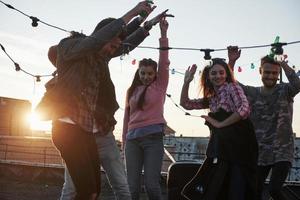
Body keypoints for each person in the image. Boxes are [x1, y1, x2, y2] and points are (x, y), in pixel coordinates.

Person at [36, 2, 157, 199]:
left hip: (85, 131)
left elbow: (125, 43)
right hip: (66, 128)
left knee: (93, 191)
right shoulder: (70, 49)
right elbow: (98, 39)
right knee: (80, 189)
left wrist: (144, 22)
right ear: (102, 37)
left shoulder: (100, 58)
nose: (113, 50)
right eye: (111, 44)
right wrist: (134, 11)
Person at [228, 46, 300, 200]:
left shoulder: (285, 90)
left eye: (274, 73)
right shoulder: (251, 92)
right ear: (260, 72)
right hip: (260, 152)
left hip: (282, 151)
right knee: (255, 191)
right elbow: (230, 83)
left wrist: (282, 63)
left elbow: (297, 84)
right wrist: (232, 61)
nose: (271, 76)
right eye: (267, 72)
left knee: (274, 189)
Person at [180, 59, 258, 200]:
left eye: (221, 72)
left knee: (237, 184)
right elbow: (186, 104)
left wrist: (219, 124)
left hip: (240, 146)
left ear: (227, 74)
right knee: (219, 185)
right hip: (224, 148)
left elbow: (245, 109)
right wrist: (187, 82)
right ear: (208, 77)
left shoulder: (232, 87)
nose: (218, 76)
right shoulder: (212, 98)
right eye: (214, 73)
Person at [122, 17, 170, 200]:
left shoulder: (160, 86)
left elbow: (164, 60)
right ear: (138, 72)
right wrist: (124, 143)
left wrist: (163, 34)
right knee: (131, 188)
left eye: (150, 73)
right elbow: (127, 118)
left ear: (155, 74)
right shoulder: (132, 90)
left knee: (151, 185)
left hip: (153, 139)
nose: (146, 76)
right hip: (132, 141)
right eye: (143, 73)